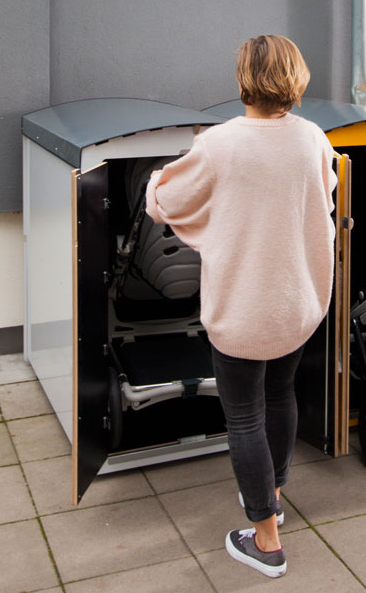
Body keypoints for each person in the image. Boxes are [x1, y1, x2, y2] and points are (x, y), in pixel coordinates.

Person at [146, 34, 337, 578]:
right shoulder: (313, 138)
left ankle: (266, 539)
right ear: (295, 78)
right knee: (280, 396)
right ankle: (271, 492)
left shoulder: (220, 143)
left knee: (245, 414)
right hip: (297, 305)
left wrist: (157, 182)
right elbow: (320, 198)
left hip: (243, 311)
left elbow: (165, 202)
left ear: (242, 79)